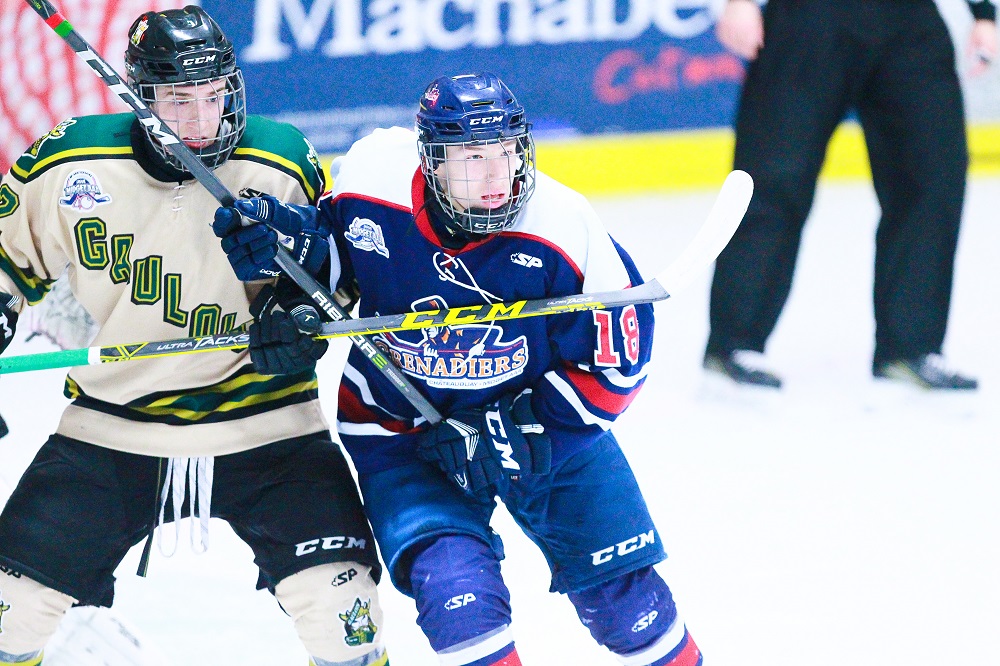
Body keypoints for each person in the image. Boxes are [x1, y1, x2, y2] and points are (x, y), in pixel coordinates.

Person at [213, 72, 702, 666]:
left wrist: (510, 427)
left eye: (506, 153)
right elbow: (341, 264)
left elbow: (616, 368)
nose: (497, 178)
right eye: (473, 159)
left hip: (546, 432)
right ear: (433, 161)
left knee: (630, 609)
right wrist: (289, 257)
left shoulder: (563, 225)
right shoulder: (374, 179)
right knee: (458, 605)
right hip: (403, 428)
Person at [0, 7, 388, 666]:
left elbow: (336, 280)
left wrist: (297, 320)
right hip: (112, 426)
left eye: (215, 96)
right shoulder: (68, 161)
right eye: (180, 100)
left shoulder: (280, 159)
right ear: (139, 97)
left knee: (346, 619)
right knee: (9, 616)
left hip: (269, 424)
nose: (203, 119)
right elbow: (6, 261)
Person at [704, 0, 997, 390]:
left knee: (932, 179)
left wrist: (983, 13)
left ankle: (910, 348)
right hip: (808, 18)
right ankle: (734, 343)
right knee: (774, 179)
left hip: (909, 21)